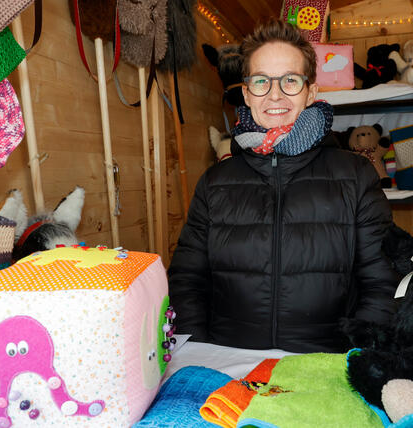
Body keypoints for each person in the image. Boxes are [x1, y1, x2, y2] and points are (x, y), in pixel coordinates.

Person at [168, 19, 399, 353]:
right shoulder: (216, 182)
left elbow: (381, 283)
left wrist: (354, 362)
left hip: (328, 368)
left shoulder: (356, 175)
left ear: (311, 91)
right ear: (246, 93)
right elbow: (187, 281)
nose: (275, 94)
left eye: (290, 80)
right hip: (229, 371)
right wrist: (201, 357)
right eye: (261, 81)